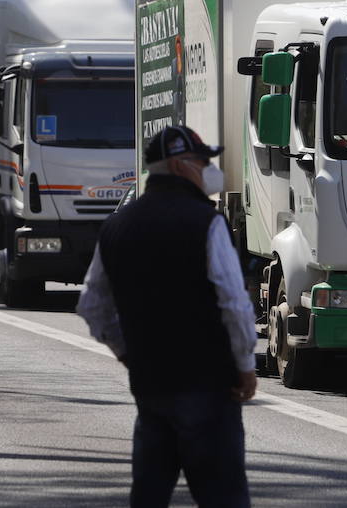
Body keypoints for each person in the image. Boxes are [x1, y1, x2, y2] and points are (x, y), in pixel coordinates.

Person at [78, 124, 257, 508]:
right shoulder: (206, 222)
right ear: (179, 165)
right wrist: (245, 364)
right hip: (209, 388)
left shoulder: (116, 226)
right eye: (202, 160)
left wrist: (128, 354)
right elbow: (233, 302)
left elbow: (92, 306)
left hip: (151, 387)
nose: (209, 168)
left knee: (149, 496)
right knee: (224, 497)